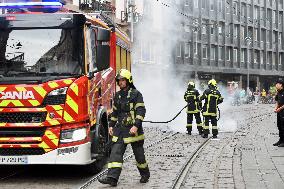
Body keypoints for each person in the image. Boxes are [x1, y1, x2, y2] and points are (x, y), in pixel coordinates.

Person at [98, 69, 150, 186]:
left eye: (122, 80)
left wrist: (136, 126)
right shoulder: (117, 96)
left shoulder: (136, 94)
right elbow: (115, 113)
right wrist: (111, 125)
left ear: (128, 80)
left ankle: (145, 174)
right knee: (115, 152)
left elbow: (141, 110)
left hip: (133, 131)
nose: (120, 82)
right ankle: (112, 178)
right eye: (119, 80)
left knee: (139, 156)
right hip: (121, 130)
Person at [273, 80, 284, 147]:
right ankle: (281, 140)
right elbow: (277, 102)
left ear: (281, 85)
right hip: (279, 112)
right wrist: (275, 108)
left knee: (283, 126)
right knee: (279, 126)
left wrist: (279, 109)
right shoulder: (278, 92)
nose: (276, 85)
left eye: (277, 84)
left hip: (283, 112)